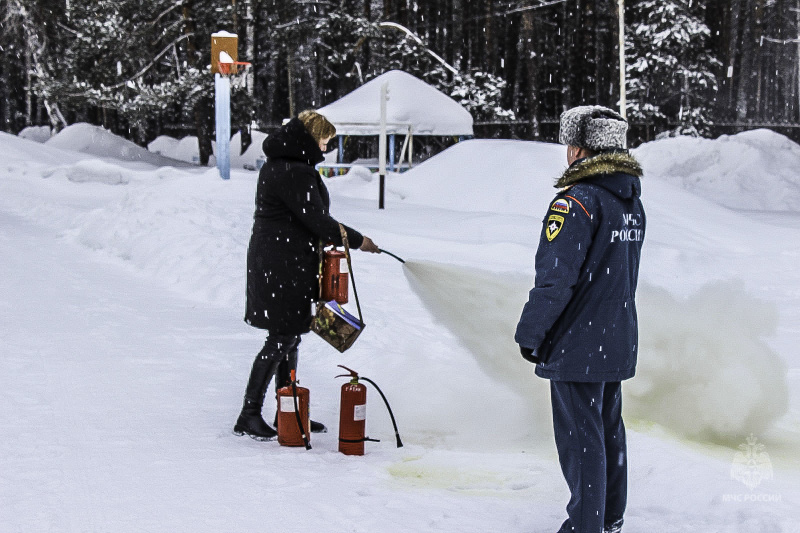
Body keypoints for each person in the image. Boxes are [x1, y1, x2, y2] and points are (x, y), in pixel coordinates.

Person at [515, 105, 645, 533]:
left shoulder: (577, 203)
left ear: (577, 149)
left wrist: (531, 333)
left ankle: (585, 527)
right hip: (616, 336)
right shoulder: (629, 200)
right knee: (608, 433)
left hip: (579, 342)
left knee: (581, 441)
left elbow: (556, 280)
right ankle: (609, 519)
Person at [235, 109, 380, 441]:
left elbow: (308, 219)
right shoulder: (292, 171)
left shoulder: (283, 165)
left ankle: (288, 409)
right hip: (282, 266)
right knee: (281, 338)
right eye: (325, 141)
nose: (326, 149)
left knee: (289, 336)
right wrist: (358, 241)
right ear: (311, 139)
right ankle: (249, 414)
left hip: (284, 263)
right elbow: (317, 221)